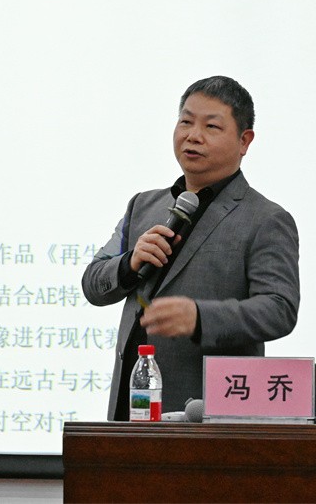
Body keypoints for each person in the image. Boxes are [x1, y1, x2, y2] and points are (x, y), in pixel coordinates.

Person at [81, 75, 300, 420]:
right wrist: (129, 263)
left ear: (244, 141)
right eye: (185, 122)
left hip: (204, 417)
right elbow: (93, 283)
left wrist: (199, 317)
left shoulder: (266, 219)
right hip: (131, 409)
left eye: (211, 126)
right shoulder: (143, 206)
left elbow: (279, 309)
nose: (193, 135)